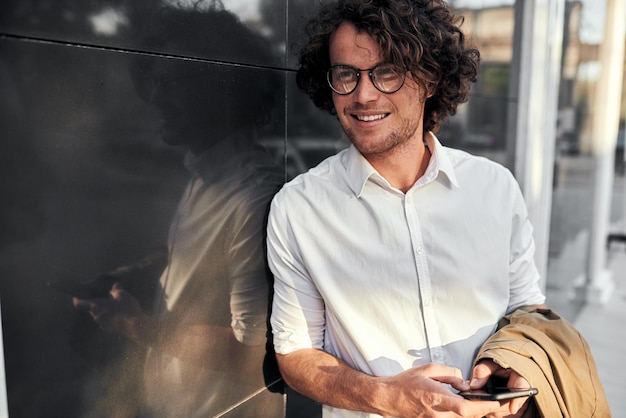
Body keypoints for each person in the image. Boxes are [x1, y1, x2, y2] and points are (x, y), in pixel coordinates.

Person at [266, 1, 549, 417]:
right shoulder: (299, 208)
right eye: (346, 73)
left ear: (430, 79)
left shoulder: (495, 187)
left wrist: (514, 365)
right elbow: (295, 355)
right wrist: (386, 397)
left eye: (388, 72)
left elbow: (527, 310)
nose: (363, 95)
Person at [72, 6, 284, 417]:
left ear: (222, 88)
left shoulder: (253, 197)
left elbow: (252, 352)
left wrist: (132, 324)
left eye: (173, 82)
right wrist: (124, 277)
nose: (156, 97)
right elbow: (194, 259)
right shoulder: (205, 173)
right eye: (155, 81)